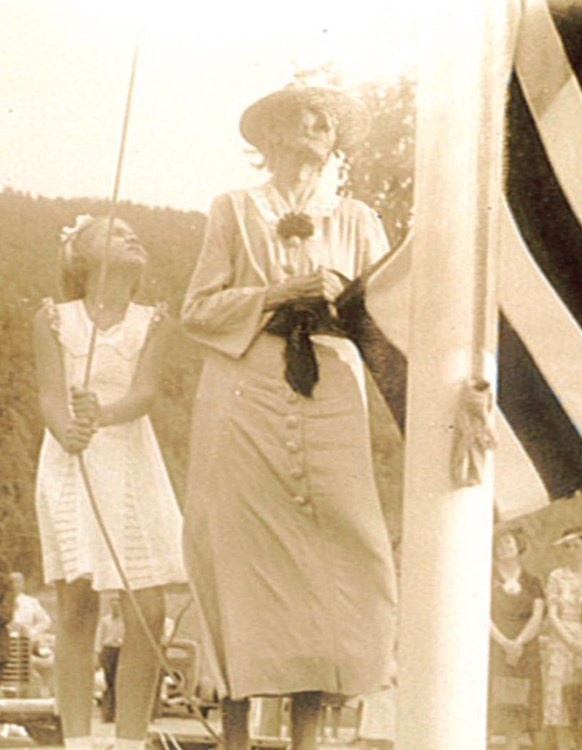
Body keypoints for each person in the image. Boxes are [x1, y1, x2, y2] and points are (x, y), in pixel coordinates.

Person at [181, 85, 397, 750]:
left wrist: (344, 303)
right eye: (300, 120)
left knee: (332, 551)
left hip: (329, 387)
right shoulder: (234, 210)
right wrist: (277, 293)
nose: (315, 129)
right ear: (268, 137)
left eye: (325, 122)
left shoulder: (357, 218)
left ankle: (310, 738)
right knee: (242, 551)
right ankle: (235, 737)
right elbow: (196, 308)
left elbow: (391, 314)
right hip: (246, 387)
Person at [33, 214, 187, 750]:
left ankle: (129, 740)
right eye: (114, 231)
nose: (130, 235)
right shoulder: (54, 319)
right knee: (77, 601)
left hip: (130, 461)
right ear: (81, 254)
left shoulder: (153, 322)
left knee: (148, 608)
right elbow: (51, 395)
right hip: (72, 462)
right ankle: (77, 739)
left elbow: (144, 394)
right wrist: (68, 428)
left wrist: (104, 413)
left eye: (131, 232)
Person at [488, 527, 545, 750]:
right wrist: (503, 642)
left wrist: (518, 643)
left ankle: (513, 746)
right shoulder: (485, 576)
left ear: (518, 546)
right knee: (491, 698)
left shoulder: (532, 580)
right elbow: (481, 613)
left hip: (525, 648)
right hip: (494, 644)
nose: (505, 548)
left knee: (521, 702)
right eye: (500, 545)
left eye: (509, 543)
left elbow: (537, 614)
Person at [544, 527, 582, 750]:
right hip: (562, 640)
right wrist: (569, 639)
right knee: (560, 694)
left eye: (576, 545)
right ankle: (563, 745)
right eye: (567, 546)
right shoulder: (557, 576)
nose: (572, 551)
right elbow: (553, 612)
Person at [96, 597, 124, 723]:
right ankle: (107, 714)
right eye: (113, 606)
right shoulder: (105, 621)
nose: (115, 608)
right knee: (107, 684)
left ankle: (119, 713)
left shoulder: (125, 622)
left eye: (117, 606)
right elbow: (99, 638)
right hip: (108, 650)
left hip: (120, 650)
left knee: (119, 682)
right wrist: (98, 654)